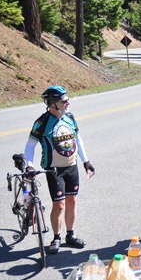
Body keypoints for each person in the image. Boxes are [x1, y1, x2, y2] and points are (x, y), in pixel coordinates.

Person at [24, 85, 95, 255]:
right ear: (53, 104)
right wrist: (29, 164)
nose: (68, 103)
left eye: (67, 99)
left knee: (72, 201)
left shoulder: (69, 117)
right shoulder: (42, 122)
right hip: (54, 169)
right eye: (64, 101)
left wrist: (86, 162)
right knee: (59, 204)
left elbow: (78, 138)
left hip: (72, 166)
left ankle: (70, 235)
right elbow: (30, 145)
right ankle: (56, 237)